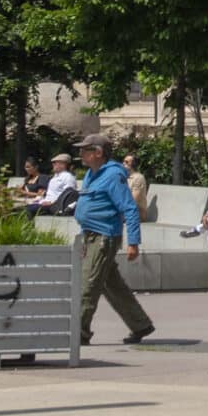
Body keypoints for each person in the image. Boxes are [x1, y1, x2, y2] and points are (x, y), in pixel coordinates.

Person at [75, 135, 155, 347]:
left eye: (85, 149)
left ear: (98, 153)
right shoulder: (92, 174)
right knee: (112, 285)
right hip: (91, 235)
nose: (80, 153)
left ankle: (78, 332)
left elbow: (129, 208)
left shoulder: (112, 176)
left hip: (104, 237)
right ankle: (140, 324)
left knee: (88, 285)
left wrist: (133, 242)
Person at [123, 151, 155, 223]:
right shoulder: (124, 177)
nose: (123, 164)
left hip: (137, 212)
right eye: (123, 161)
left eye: (126, 162)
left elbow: (133, 201)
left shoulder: (138, 178)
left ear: (133, 164)